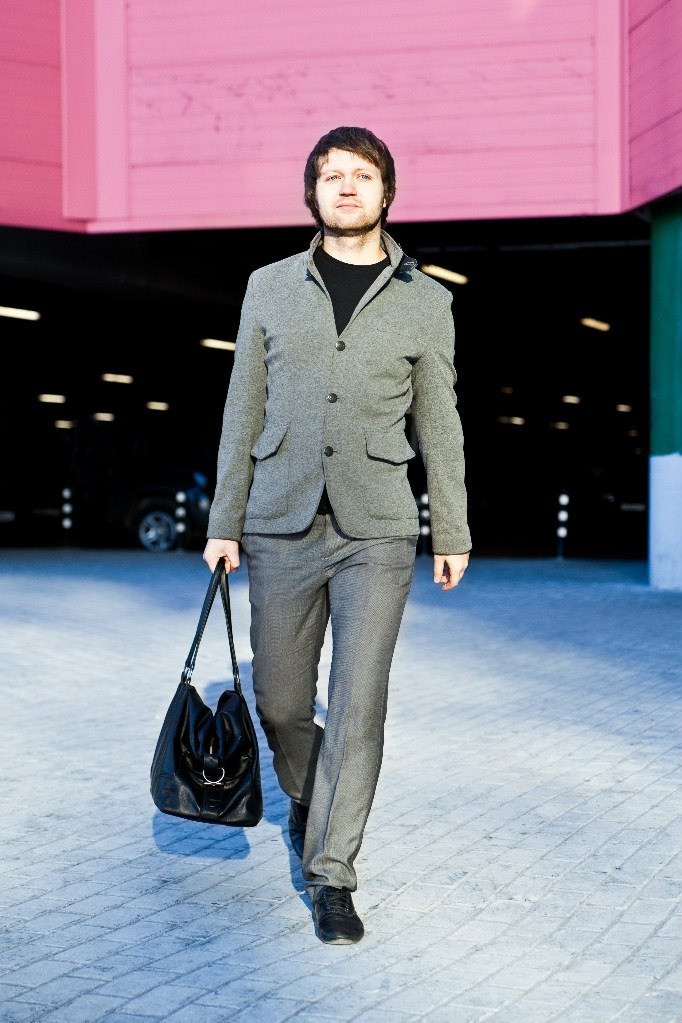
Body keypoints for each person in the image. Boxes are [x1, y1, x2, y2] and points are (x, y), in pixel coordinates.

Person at [203, 126, 471, 944]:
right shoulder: (269, 286)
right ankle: (308, 798)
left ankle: (332, 874)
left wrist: (451, 527)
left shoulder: (427, 301)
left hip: (377, 528)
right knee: (282, 702)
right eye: (331, 175)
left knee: (359, 701)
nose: (347, 186)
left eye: (362, 174)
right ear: (311, 193)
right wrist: (223, 520)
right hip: (279, 519)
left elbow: (441, 422)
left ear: (387, 192)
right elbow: (242, 407)